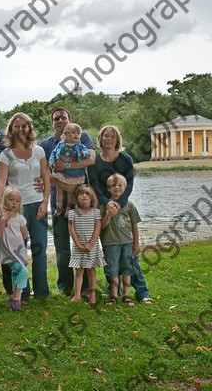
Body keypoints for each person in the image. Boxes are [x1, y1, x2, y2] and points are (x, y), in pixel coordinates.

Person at [39, 108, 95, 295]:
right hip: (58, 200)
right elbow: (44, 172)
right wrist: (62, 183)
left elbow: (91, 159)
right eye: (56, 118)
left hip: (82, 200)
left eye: (63, 117)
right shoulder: (46, 144)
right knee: (62, 246)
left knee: (84, 242)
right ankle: (65, 285)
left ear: (70, 120)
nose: (60, 120)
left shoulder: (82, 136)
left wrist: (68, 166)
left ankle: (86, 287)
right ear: (52, 123)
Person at [0, 112, 51, 301]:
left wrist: (45, 202)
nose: (20, 129)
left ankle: (42, 293)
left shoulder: (39, 151)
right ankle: (22, 294)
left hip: (37, 205)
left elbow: (46, 177)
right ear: (11, 129)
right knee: (17, 253)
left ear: (29, 128)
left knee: (39, 249)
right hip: (15, 209)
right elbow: (1, 183)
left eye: (24, 126)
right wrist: (2, 208)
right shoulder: (6, 154)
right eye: (16, 126)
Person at [88, 124, 136, 297]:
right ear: (100, 139)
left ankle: (140, 290)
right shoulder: (95, 160)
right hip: (103, 207)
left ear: (117, 140)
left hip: (122, 208)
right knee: (111, 252)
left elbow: (130, 183)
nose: (108, 139)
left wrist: (120, 203)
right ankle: (113, 291)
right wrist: (106, 203)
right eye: (105, 136)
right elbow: (94, 184)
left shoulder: (125, 159)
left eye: (112, 136)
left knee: (128, 254)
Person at [101, 173, 151, 305]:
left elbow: (134, 226)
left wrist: (136, 244)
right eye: (113, 185)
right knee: (113, 269)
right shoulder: (105, 206)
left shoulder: (130, 206)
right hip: (111, 243)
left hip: (127, 243)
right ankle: (113, 295)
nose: (116, 188)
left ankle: (126, 295)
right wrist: (108, 215)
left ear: (125, 187)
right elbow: (102, 226)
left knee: (127, 269)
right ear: (108, 188)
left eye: (120, 185)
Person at [67, 185, 105, 305]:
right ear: (76, 197)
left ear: (92, 198)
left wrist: (91, 244)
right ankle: (77, 295)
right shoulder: (72, 213)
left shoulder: (96, 212)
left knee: (91, 270)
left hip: (92, 246)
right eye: (81, 193)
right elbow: (71, 230)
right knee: (78, 270)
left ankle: (92, 296)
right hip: (78, 246)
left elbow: (97, 229)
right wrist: (78, 244)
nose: (84, 196)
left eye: (87, 194)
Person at [0, 186, 28, 311]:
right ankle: (16, 298)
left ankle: (14, 298)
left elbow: (24, 235)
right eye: (11, 200)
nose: (14, 203)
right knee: (24, 272)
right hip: (8, 253)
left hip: (19, 252)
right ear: (4, 200)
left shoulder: (20, 218)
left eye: (17, 201)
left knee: (17, 273)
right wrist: (3, 221)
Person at [48, 122, 91, 217]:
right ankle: (59, 207)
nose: (76, 135)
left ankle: (69, 208)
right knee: (59, 189)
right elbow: (53, 153)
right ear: (66, 134)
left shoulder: (80, 145)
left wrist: (84, 154)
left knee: (71, 191)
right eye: (73, 132)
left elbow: (89, 153)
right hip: (61, 172)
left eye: (78, 133)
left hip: (74, 173)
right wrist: (51, 162)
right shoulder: (61, 144)